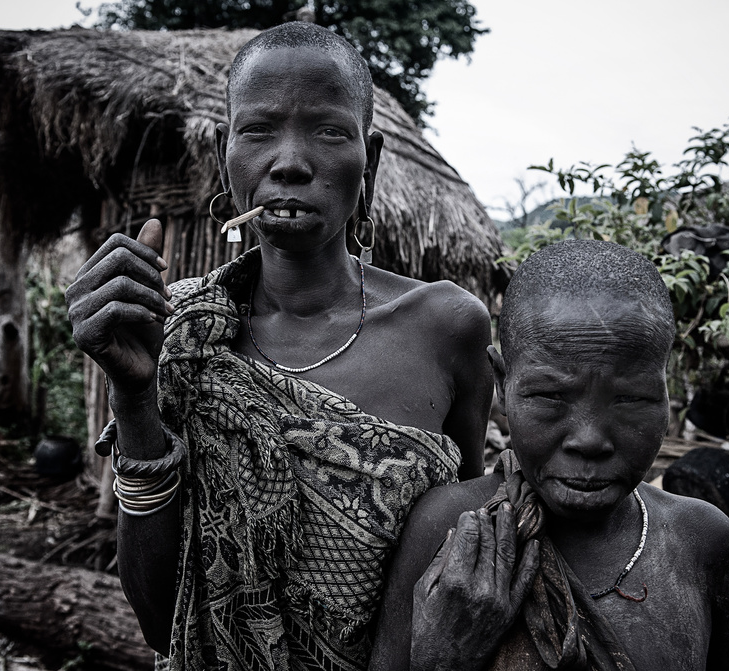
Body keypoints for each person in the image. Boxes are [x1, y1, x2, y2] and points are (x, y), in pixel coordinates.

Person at [64, 22, 492, 671]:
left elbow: (462, 563)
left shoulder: (448, 327)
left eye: (328, 130)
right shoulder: (176, 331)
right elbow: (160, 623)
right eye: (259, 130)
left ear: (368, 159)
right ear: (223, 152)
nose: (290, 161)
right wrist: (133, 395)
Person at [369, 239, 729, 671]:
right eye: (551, 396)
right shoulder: (446, 528)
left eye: (629, 399)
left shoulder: (701, 538)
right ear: (502, 384)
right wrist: (443, 658)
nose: (589, 440)